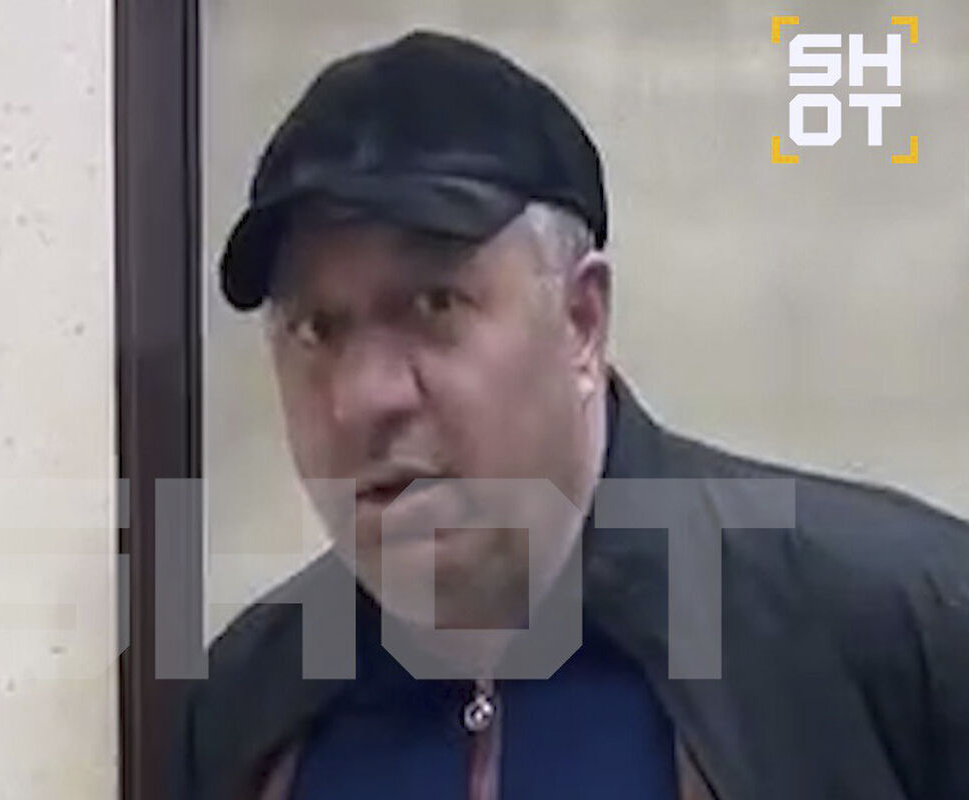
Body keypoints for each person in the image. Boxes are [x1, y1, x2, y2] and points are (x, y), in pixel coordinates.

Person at [169, 30, 969, 799]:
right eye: (316, 328)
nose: (365, 397)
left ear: (582, 321)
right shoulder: (246, 709)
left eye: (434, 303)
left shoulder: (891, 632)